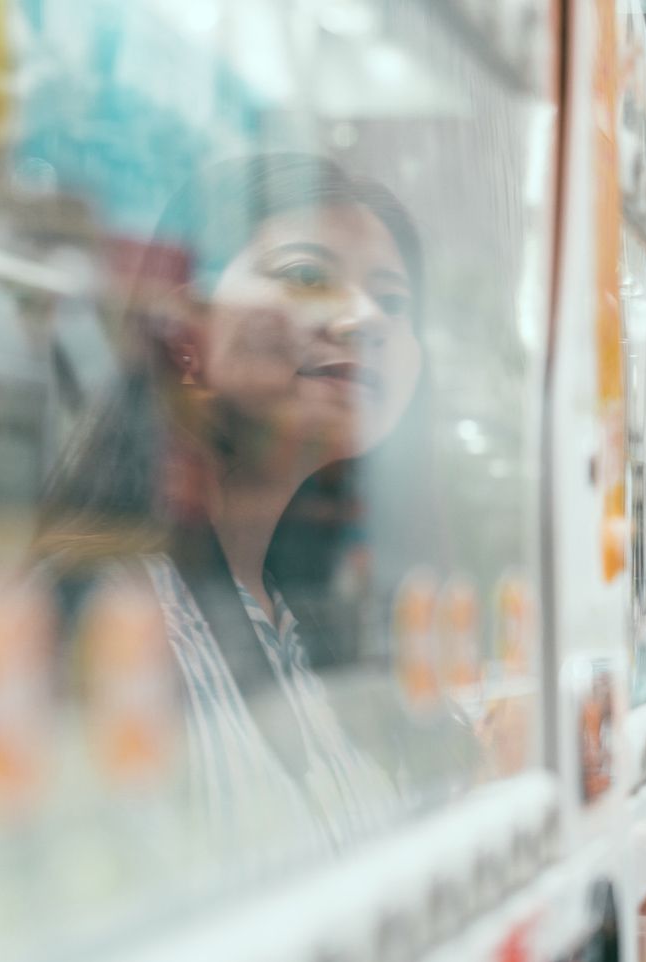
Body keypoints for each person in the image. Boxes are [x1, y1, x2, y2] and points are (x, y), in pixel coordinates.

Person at [38, 153, 477, 854]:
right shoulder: (108, 619)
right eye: (307, 275)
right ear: (185, 323)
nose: (362, 317)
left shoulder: (306, 619)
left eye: (392, 301)